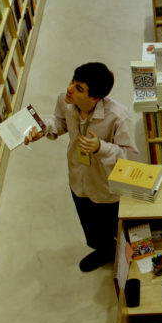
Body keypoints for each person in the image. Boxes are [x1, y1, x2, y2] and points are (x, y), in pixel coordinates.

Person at [25, 63, 139, 271]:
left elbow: (129, 157)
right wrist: (44, 128)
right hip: (78, 178)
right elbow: (61, 123)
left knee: (118, 227)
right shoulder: (65, 99)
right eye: (72, 82)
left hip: (106, 187)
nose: (69, 89)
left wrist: (100, 148)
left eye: (79, 88)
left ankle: (129, 257)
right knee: (91, 227)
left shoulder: (118, 117)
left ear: (95, 98)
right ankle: (105, 250)